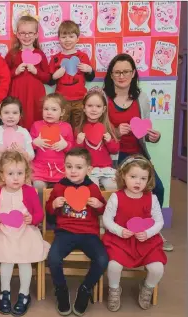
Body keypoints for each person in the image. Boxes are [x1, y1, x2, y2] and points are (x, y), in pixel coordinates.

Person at [103, 53, 171, 251]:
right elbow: (97, 129)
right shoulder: (105, 98)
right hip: (113, 155)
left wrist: (153, 136)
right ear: (111, 74)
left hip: (137, 155)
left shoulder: (141, 97)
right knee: (119, 192)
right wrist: (115, 132)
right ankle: (117, 230)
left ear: (133, 73)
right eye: (117, 72)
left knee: (157, 188)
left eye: (126, 71)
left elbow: (144, 130)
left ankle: (152, 231)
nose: (121, 75)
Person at [0, 150, 49, 316]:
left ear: (26, 174)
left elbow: (39, 214)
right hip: (4, 232)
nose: (15, 178)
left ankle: (24, 294)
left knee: (24, 259)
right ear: (2, 175)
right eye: (11, 174)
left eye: (20, 173)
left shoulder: (29, 192)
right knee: (6, 259)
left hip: (25, 231)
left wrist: (32, 219)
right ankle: (4, 292)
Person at [46, 148, 109, 316]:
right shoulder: (59, 187)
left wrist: (99, 205)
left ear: (88, 169)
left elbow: (104, 210)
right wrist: (53, 205)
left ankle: (85, 288)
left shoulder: (93, 188)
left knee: (103, 259)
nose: (73, 171)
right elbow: (50, 215)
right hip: (65, 232)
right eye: (69, 166)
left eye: (78, 167)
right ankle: (61, 289)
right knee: (53, 258)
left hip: (89, 233)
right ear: (64, 167)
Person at [103, 155, 166, 311]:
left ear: (148, 180)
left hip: (145, 242)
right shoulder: (116, 197)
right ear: (124, 176)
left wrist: (148, 233)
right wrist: (119, 230)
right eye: (133, 177)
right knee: (113, 266)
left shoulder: (152, 198)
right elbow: (107, 220)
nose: (138, 182)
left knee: (157, 268)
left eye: (143, 178)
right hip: (121, 240)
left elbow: (159, 222)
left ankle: (147, 287)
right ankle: (114, 289)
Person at [5, 15, 50, 130]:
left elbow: (47, 77)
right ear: (18, 34)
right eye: (23, 33)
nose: (26, 36)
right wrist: (15, 71)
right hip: (17, 94)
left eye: (30, 33)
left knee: (35, 118)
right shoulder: (12, 54)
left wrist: (36, 71)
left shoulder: (40, 54)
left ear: (36, 35)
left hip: (35, 95)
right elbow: (4, 76)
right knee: (17, 119)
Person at [49, 20, 95, 127]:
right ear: (59, 39)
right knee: (62, 126)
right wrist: (56, 75)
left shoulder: (82, 56)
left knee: (79, 126)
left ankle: (77, 144)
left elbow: (90, 78)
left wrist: (89, 70)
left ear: (77, 38)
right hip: (61, 101)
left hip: (80, 100)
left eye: (71, 36)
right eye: (64, 37)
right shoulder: (55, 58)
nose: (67, 40)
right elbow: (50, 81)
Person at [30, 93, 74, 199]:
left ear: (62, 112)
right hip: (40, 168)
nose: (49, 112)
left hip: (60, 169)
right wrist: (35, 143)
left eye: (54, 109)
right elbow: (28, 145)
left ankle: (56, 211)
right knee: (38, 187)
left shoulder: (67, 127)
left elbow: (72, 148)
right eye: (46, 109)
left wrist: (66, 145)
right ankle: (40, 212)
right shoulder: (36, 125)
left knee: (62, 190)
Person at [75, 90, 119, 190]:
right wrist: (78, 142)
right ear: (84, 108)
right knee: (92, 188)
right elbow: (76, 154)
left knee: (113, 187)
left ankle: (109, 206)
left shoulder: (108, 127)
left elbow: (115, 150)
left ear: (103, 109)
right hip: (89, 169)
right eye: (90, 106)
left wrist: (109, 141)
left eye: (98, 106)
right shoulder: (79, 129)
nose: (94, 109)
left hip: (106, 169)